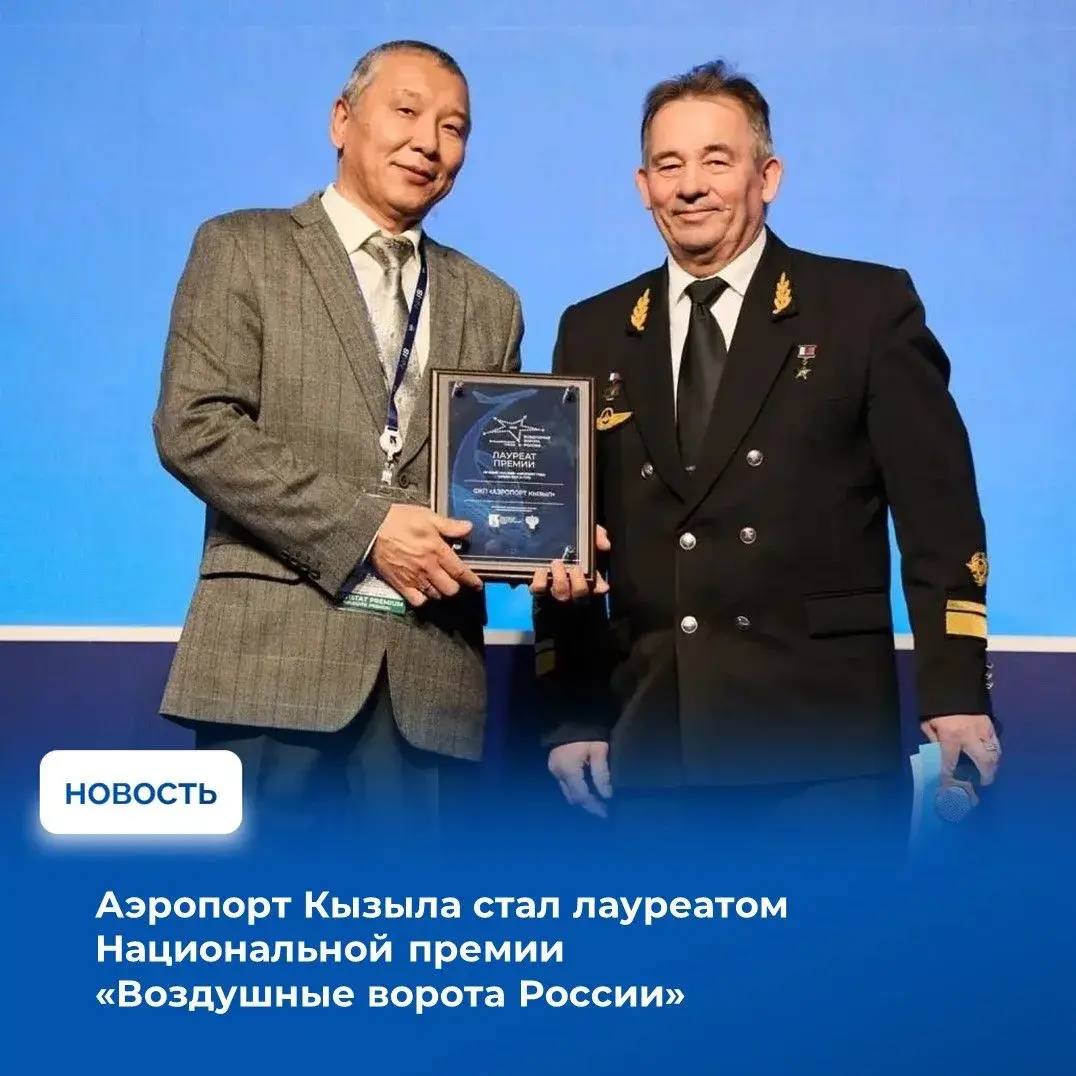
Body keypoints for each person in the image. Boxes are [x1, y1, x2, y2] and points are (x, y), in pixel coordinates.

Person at [531, 61, 999, 836]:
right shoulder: (594, 329)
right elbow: (567, 538)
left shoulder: (863, 309)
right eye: (669, 165)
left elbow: (939, 519)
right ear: (643, 186)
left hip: (821, 746)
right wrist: (572, 712)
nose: (691, 186)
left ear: (768, 176)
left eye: (717, 160)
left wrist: (955, 693)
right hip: (654, 745)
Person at [153, 40, 522, 835]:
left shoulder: (492, 303)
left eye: (454, 127)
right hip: (269, 671)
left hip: (428, 688)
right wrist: (368, 528)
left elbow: (490, 486)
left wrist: (549, 545)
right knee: (253, 911)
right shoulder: (242, 247)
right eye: (407, 111)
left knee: (413, 917)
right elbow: (195, 425)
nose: (429, 142)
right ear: (341, 120)